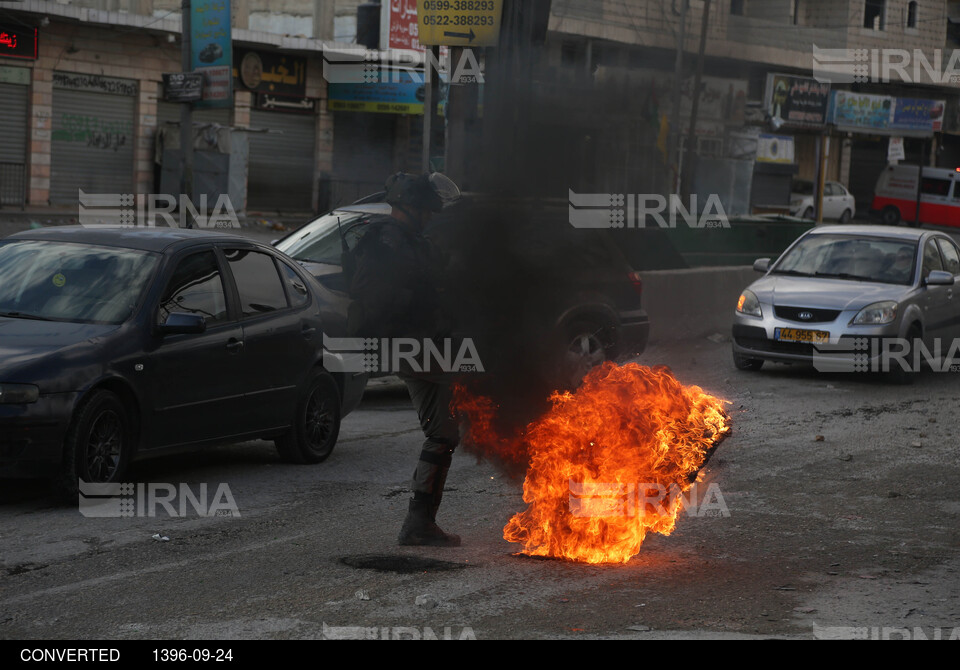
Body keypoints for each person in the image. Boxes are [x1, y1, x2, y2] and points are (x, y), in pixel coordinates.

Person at [346, 172, 464, 547]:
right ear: (410, 208)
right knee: (443, 432)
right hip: (413, 346)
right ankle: (418, 524)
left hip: (419, 344)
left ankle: (421, 522)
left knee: (446, 429)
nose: (431, 217)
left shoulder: (403, 240)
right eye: (427, 211)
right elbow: (380, 299)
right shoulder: (389, 243)